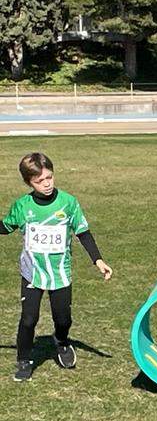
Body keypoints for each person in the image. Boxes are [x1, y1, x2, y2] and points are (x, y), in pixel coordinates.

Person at [1, 152, 112, 381]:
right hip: (32, 272)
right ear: (28, 182)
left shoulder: (68, 202)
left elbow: (83, 232)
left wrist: (98, 260)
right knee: (28, 319)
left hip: (60, 273)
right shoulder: (22, 206)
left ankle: (61, 341)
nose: (47, 184)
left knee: (63, 319)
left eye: (49, 177)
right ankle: (24, 360)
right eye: (39, 181)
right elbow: (5, 226)